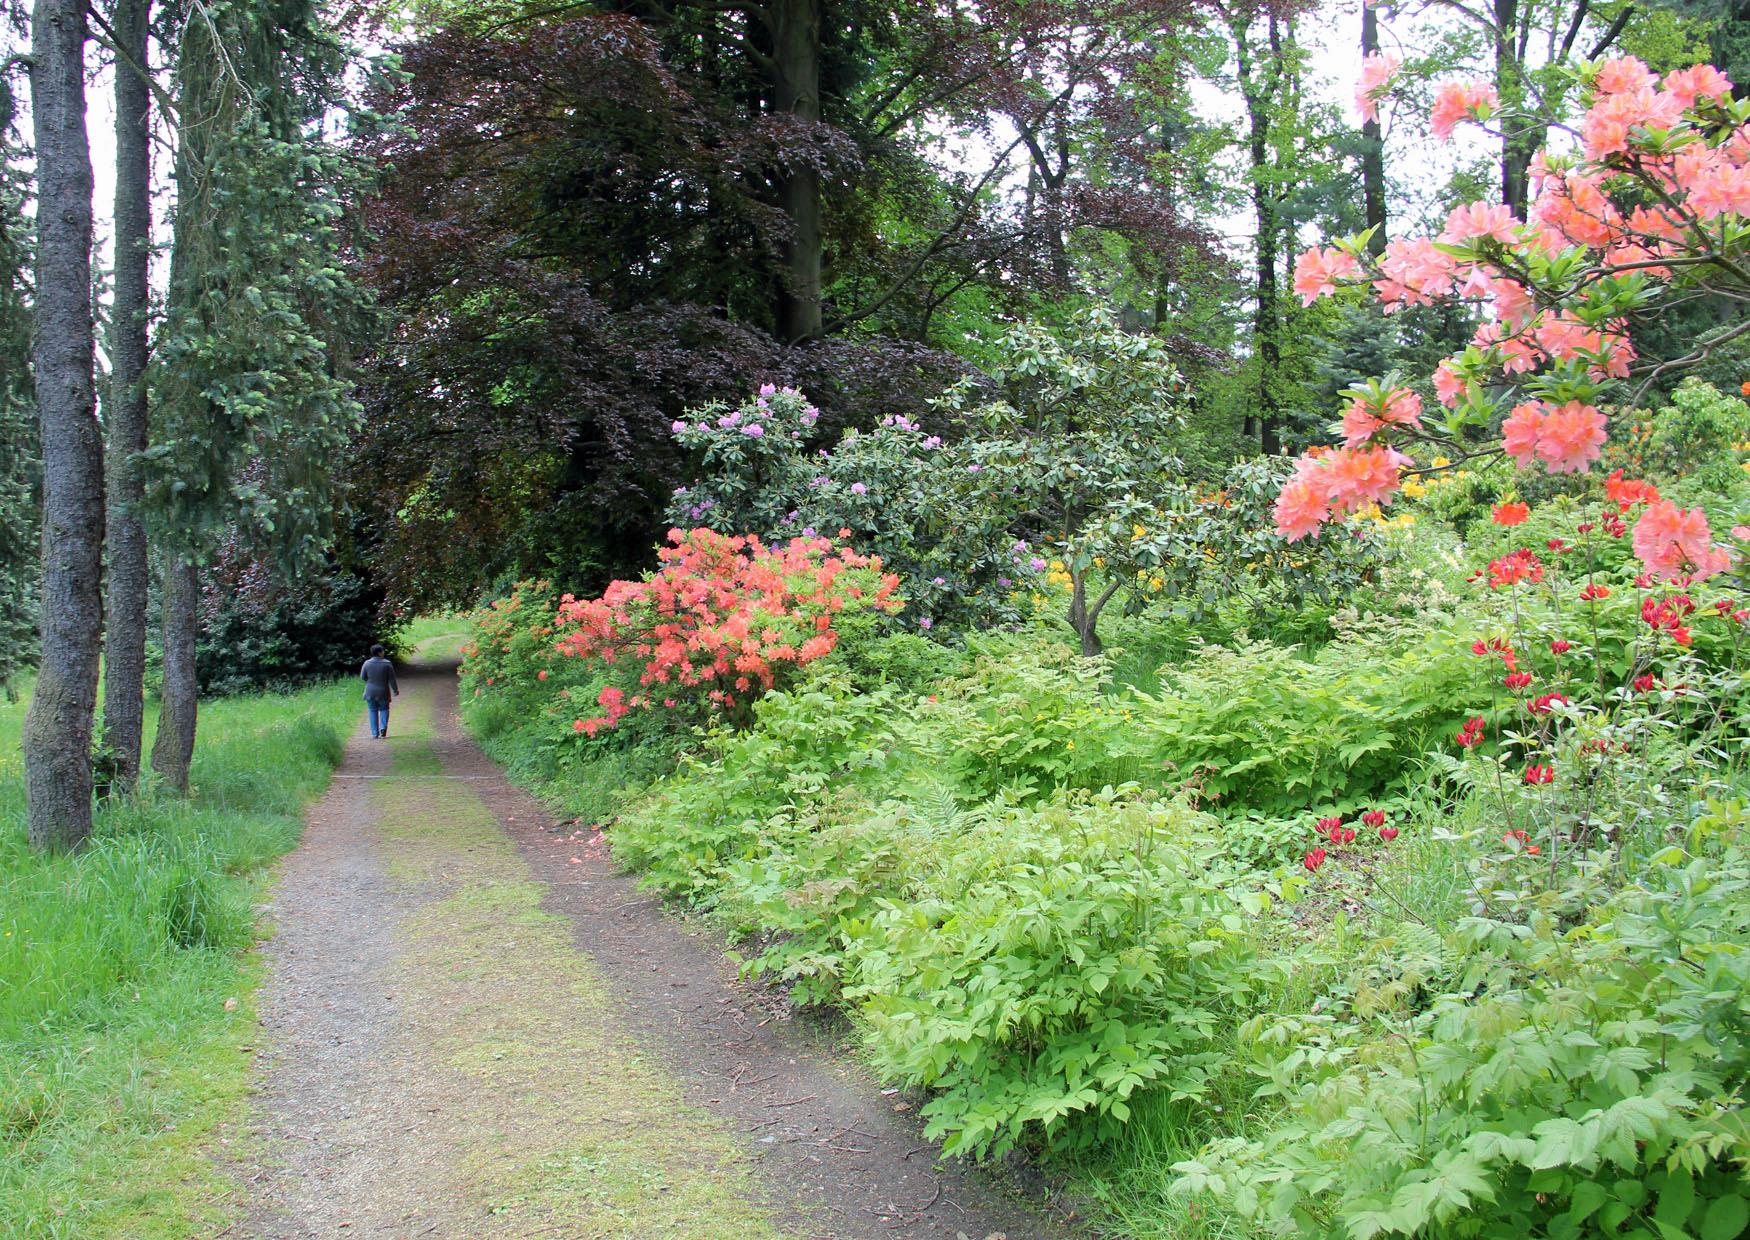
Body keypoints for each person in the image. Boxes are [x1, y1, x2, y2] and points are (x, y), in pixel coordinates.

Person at [360, 644, 399, 739]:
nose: (383, 652)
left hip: (370, 691)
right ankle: (383, 728)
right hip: (383, 691)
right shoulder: (387, 663)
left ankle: (374, 733)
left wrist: (370, 682)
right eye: (382, 651)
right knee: (384, 709)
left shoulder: (367, 663)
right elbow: (392, 679)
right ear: (379, 652)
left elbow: (363, 677)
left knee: (372, 711)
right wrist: (395, 690)